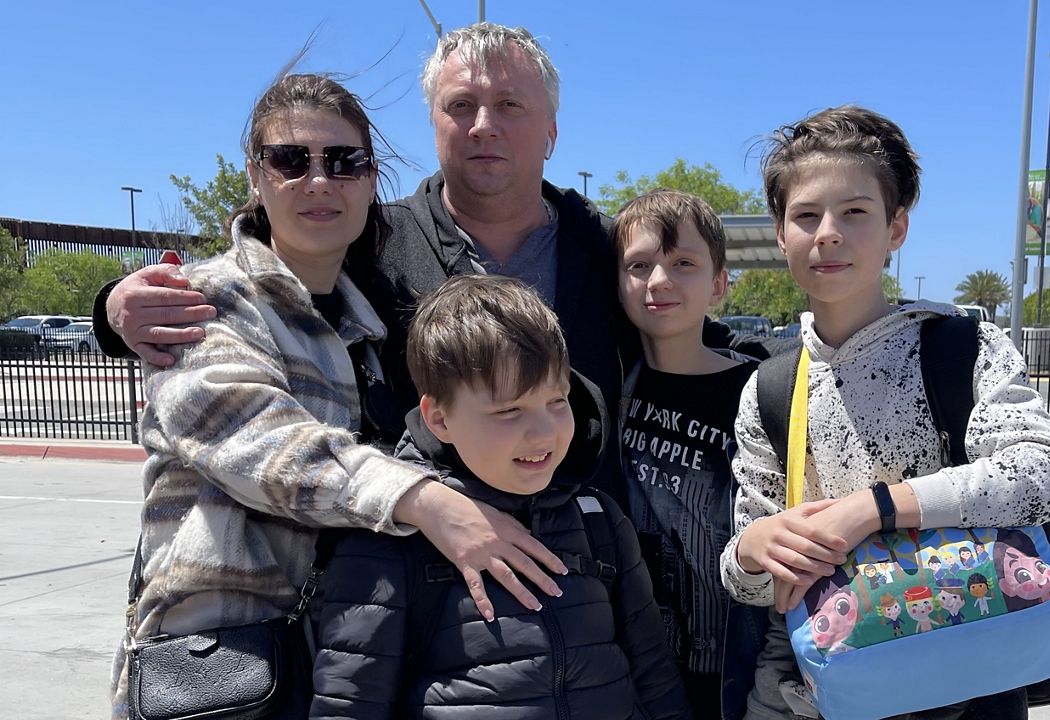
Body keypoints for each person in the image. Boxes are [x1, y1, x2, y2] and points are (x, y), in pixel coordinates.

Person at [93, 21, 768, 615]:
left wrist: (772, 375)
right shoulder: (373, 243)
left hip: (584, 574)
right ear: (435, 124)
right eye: (460, 106)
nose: (483, 125)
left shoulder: (605, 248)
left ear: (552, 131)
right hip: (414, 589)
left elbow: (676, 328)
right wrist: (116, 308)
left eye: (509, 105)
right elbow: (272, 267)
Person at [110, 72, 514, 717]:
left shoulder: (376, 320)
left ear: (371, 178)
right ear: (256, 177)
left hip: (351, 657)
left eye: (344, 161)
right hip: (225, 664)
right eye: (291, 160)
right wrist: (423, 500)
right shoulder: (204, 303)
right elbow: (259, 444)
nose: (319, 180)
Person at [719, 105, 1050, 718]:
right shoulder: (770, 389)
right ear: (781, 235)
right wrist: (755, 547)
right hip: (834, 692)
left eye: (855, 212)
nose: (828, 232)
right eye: (805, 215)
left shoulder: (962, 348)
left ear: (897, 228)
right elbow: (753, 584)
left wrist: (875, 509)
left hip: (969, 686)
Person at [308, 275, 690, 719]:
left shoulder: (600, 521)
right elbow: (349, 704)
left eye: (558, 400)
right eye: (509, 410)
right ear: (440, 418)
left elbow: (656, 678)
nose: (544, 431)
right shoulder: (389, 542)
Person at [612, 189, 778, 719]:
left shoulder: (762, 393)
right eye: (639, 265)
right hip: (637, 666)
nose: (659, 280)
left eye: (683, 263)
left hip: (735, 662)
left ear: (720, 284)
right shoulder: (607, 391)